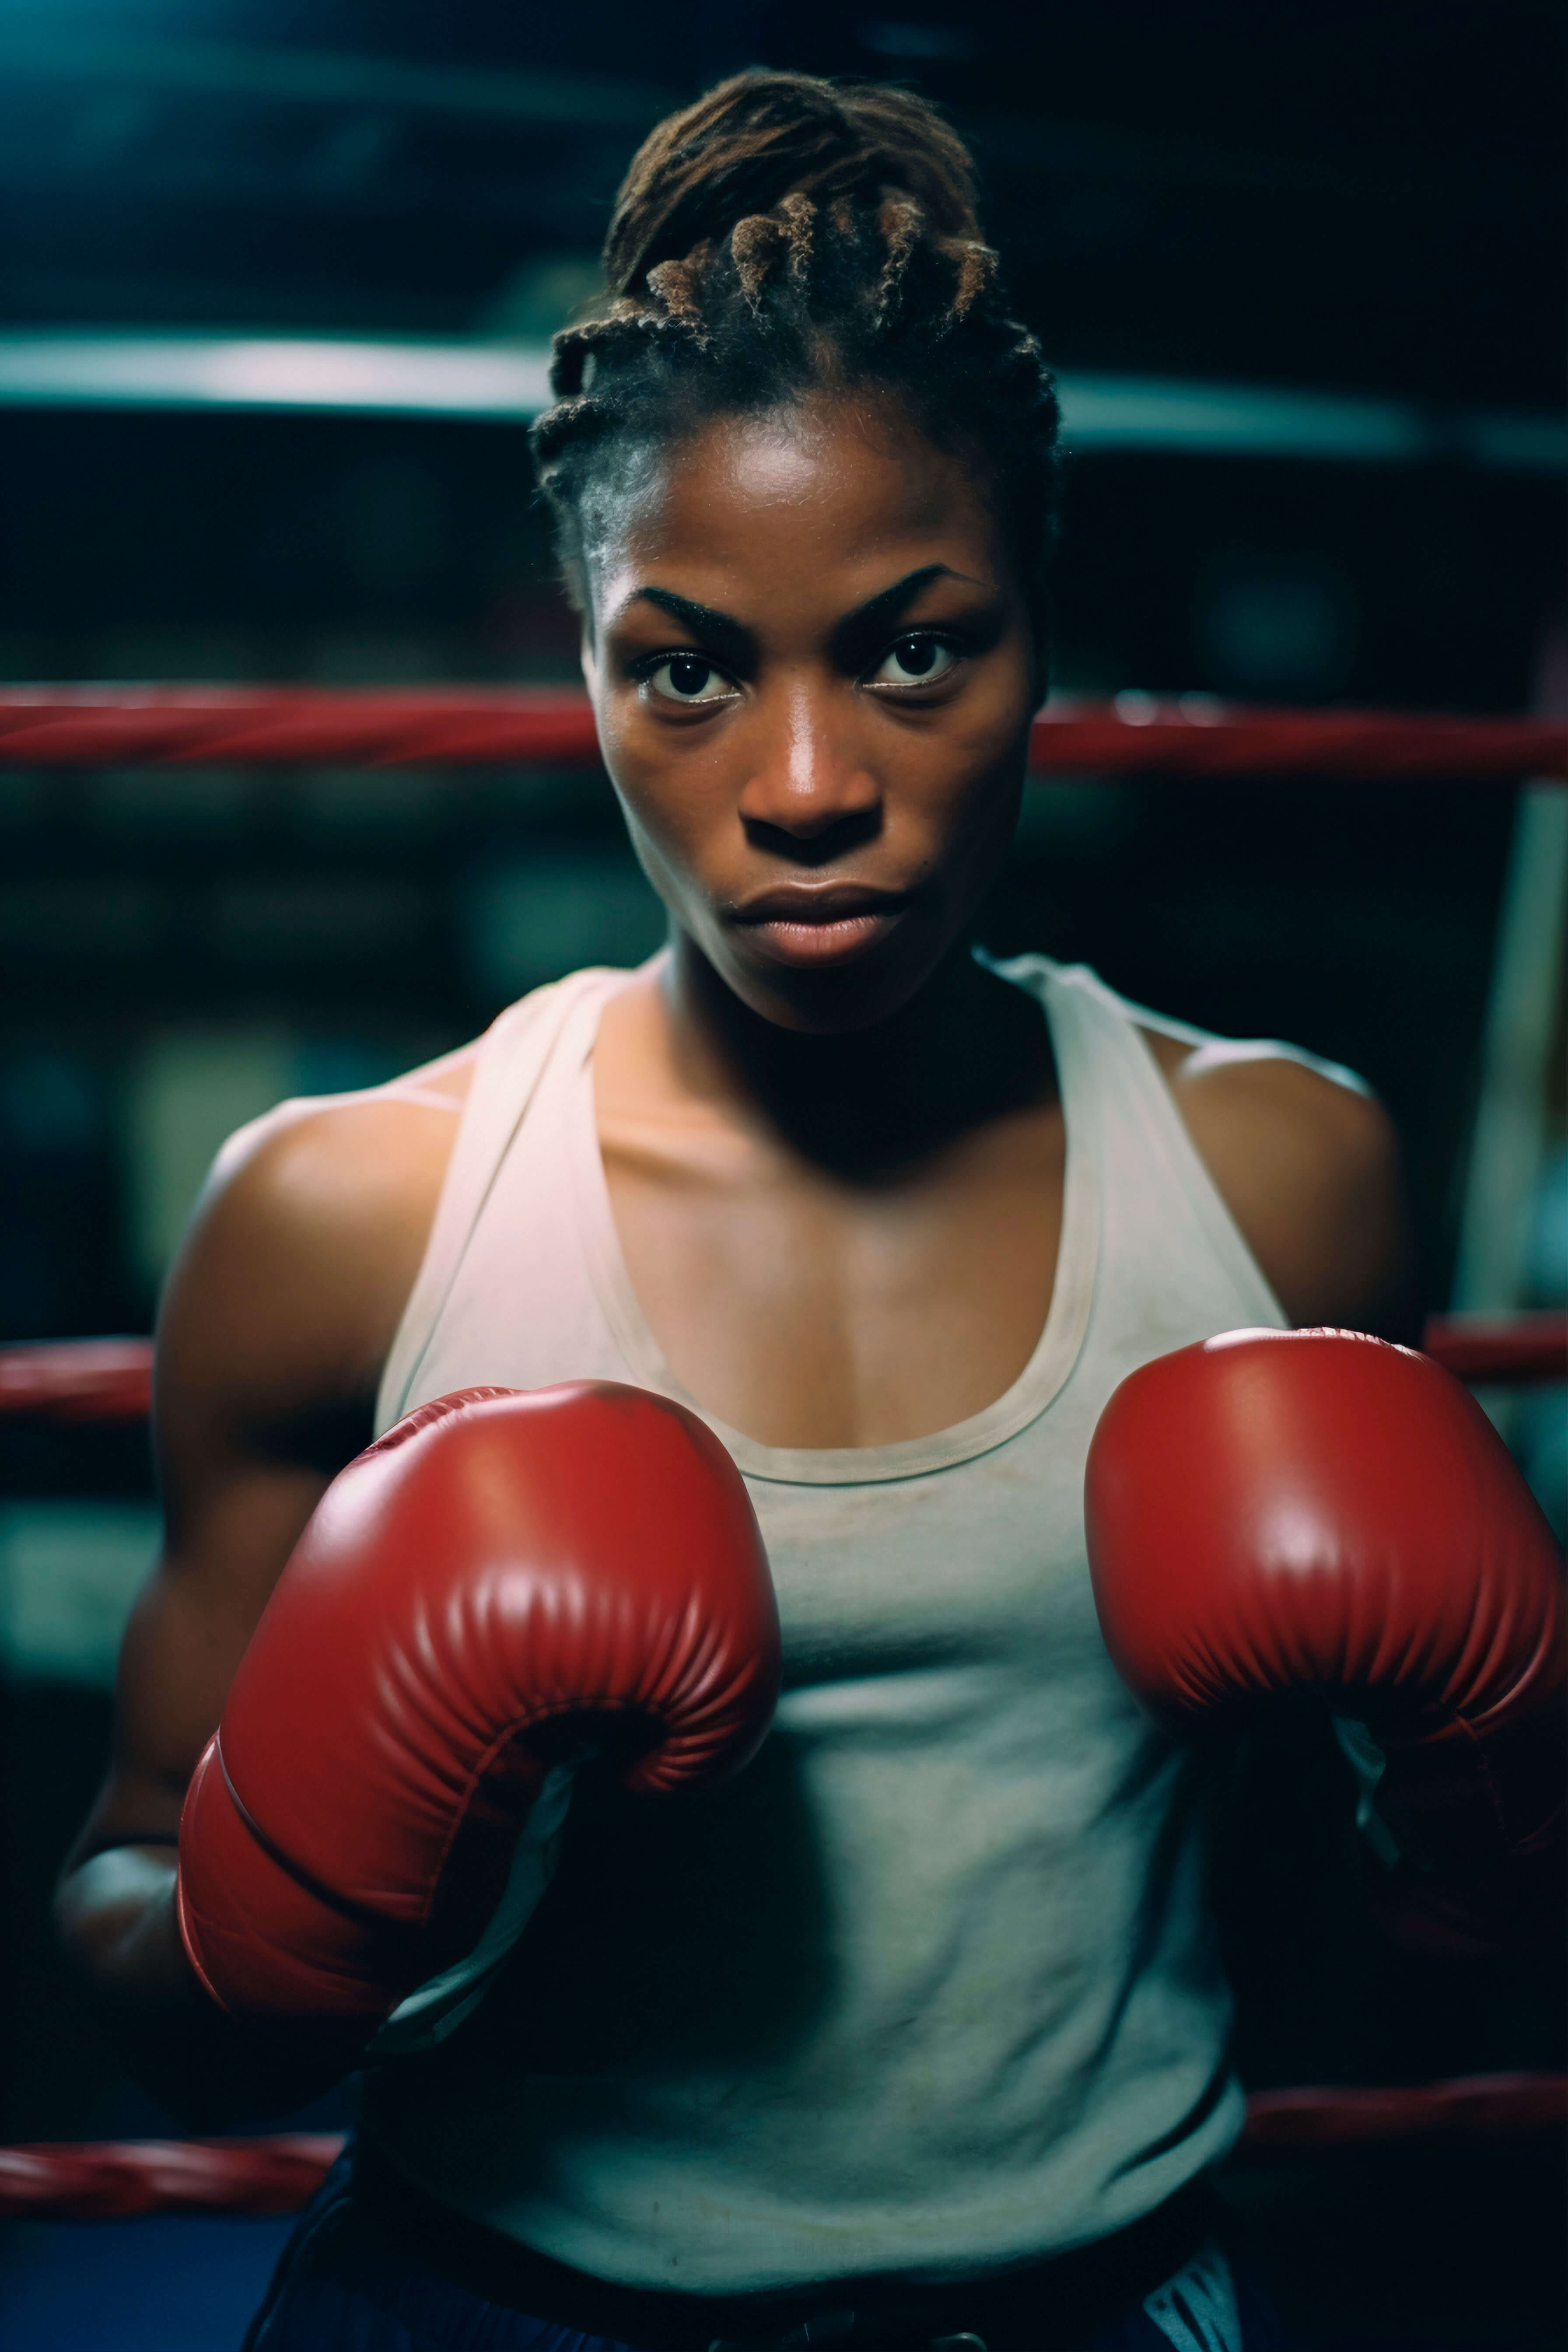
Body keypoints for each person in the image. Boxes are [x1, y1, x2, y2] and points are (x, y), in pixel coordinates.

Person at [53, 70, 1561, 2352]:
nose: (806, 788)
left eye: (913, 649)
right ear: (582, 669)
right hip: (503, 2299)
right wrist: (290, 1914)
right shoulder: (351, 1214)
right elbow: (137, 1936)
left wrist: (1491, 1832)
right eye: (688, 668)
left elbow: (1394, 1918)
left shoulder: (1286, 1175)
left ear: (1043, 627)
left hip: (1108, 2298)